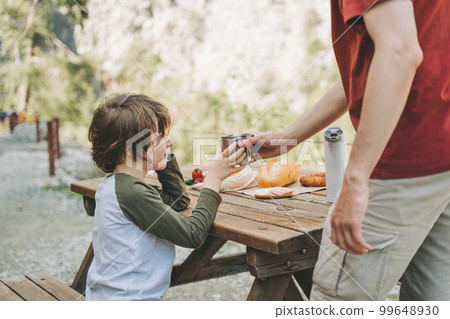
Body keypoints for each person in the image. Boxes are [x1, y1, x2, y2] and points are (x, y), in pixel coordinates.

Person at [240, 0, 449, 301]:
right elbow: (370, 67)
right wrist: (289, 137)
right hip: (442, 155)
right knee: (433, 299)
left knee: (339, 298)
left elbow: (399, 54)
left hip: (402, 160)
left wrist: (356, 178)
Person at [85, 93, 247, 300]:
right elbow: (192, 235)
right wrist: (214, 178)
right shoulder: (133, 193)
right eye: (160, 137)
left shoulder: (116, 184)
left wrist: (161, 157)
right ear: (131, 151)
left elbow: (178, 200)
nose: (169, 140)